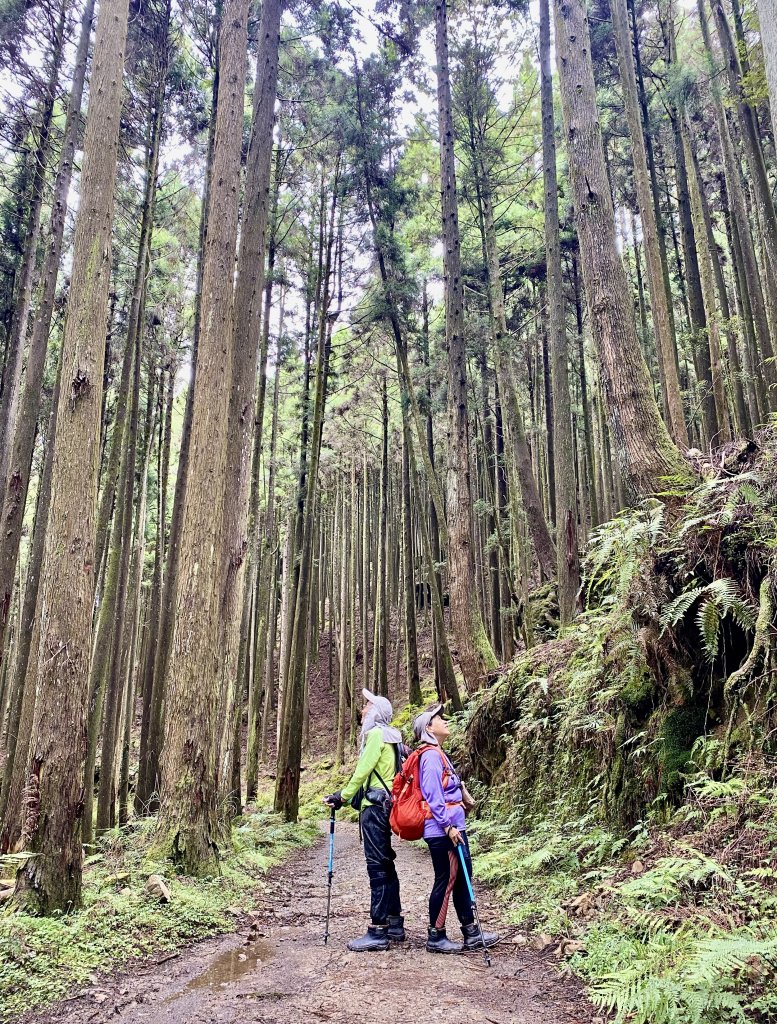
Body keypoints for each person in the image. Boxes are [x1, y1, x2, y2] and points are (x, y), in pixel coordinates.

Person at [413, 703, 499, 954]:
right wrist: (448, 825)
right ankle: (436, 935)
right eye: (439, 719)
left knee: (462, 877)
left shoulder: (439, 753)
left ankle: (471, 932)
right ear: (428, 727)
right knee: (448, 878)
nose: (445, 721)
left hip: (453, 827)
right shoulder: (429, 755)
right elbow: (432, 793)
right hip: (443, 831)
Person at [324, 688, 404, 952]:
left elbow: (362, 772)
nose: (363, 710)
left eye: (368, 706)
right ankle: (394, 923)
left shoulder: (376, 735)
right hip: (387, 805)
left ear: (377, 712)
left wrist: (342, 796)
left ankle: (378, 930)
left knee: (376, 866)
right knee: (386, 863)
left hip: (373, 807)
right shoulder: (394, 737)